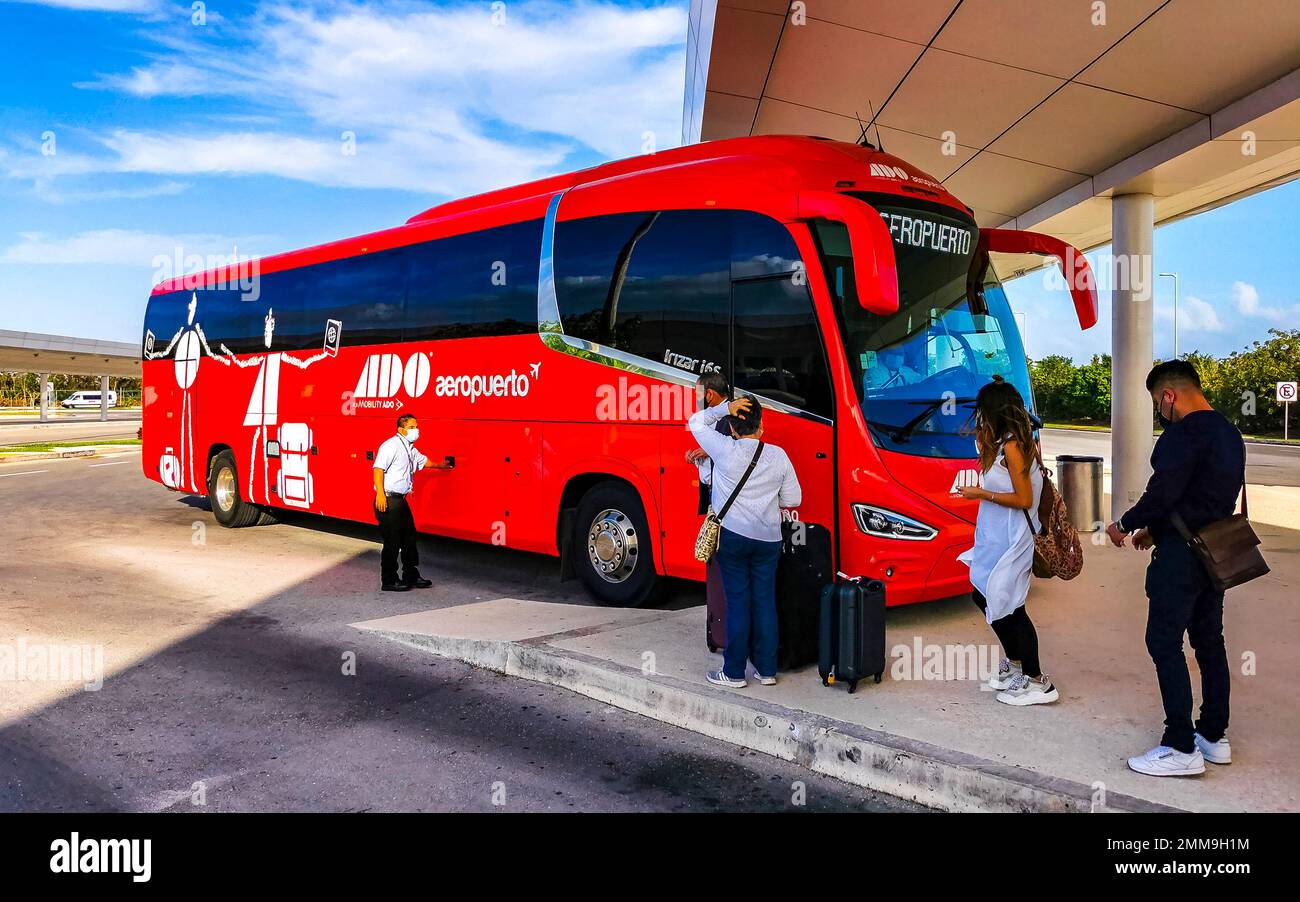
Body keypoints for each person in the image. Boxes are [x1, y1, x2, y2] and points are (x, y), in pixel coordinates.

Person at [1106, 360, 1244, 777]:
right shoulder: (1229, 432)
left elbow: (1163, 491)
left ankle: (1181, 746)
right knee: (1209, 642)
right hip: (1214, 552)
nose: (1159, 413)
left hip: (1181, 560)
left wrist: (1125, 524)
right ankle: (1214, 736)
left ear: (1168, 396)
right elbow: (1201, 495)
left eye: (1156, 403)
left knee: (1164, 643)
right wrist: (1157, 530)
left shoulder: (1181, 434)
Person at [957, 377, 1058, 706]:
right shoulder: (1001, 443)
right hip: (994, 536)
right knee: (983, 595)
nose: (978, 418)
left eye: (983, 412)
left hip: (1014, 539)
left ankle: (1037, 680)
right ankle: (1015, 664)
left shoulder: (1014, 446)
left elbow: (1025, 498)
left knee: (1010, 608)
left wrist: (980, 493)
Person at [689, 394, 801, 688]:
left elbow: (696, 422)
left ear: (734, 430)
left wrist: (725, 408)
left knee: (738, 603)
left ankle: (734, 673)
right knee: (765, 602)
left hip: (734, 538)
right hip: (768, 540)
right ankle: (767, 670)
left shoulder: (726, 449)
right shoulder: (778, 456)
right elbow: (793, 499)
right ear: (761, 425)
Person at [372, 414, 452, 592]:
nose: (416, 430)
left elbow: (425, 462)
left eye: (416, 426)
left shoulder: (410, 449)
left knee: (409, 538)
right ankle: (389, 580)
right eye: (412, 427)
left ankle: (411, 574)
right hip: (389, 499)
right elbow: (378, 468)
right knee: (392, 541)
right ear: (401, 429)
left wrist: (443, 465)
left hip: (400, 500)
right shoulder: (391, 446)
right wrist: (380, 495)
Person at [685, 371, 732, 515]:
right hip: (710, 489)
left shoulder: (732, 415)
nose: (697, 398)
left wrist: (709, 450)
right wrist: (695, 457)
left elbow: (737, 448)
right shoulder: (709, 415)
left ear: (710, 394)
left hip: (723, 491)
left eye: (699, 394)